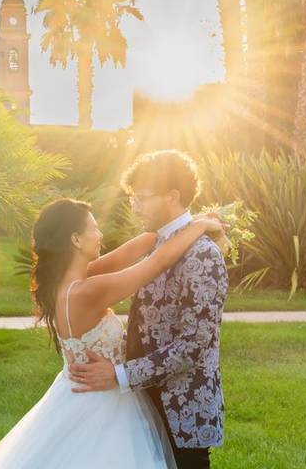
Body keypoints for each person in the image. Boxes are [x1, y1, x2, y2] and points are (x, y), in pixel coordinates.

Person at [0, 195, 225, 469]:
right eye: (94, 228)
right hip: (104, 405)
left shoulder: (67, 282)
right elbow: (157, 263)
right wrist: (201, 227)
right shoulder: (88, 291)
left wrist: (182, 222)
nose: (100, 234)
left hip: (76, 396)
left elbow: (137, 247)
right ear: (76, 240)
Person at [69, 151, 228, 469]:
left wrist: (119, 375)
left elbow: (193, 345)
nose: (134, 206)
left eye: (142, 197)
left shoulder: (203, 254)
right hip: (141, 401)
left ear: (173, 196)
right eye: (132, 198)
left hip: (182, 408)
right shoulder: (156, 243)